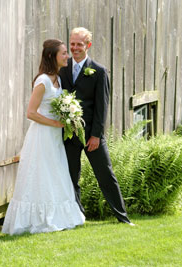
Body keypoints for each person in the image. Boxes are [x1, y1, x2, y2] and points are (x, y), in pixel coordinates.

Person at [2, 39, 85, 235]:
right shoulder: (43, 81)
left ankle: (60, 216)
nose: (67, 56)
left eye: (67, 52)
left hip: (55, 137)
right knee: (41, 175)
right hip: (41, 137)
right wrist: (56, 123)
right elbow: (30, 113)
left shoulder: (58, 79)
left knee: (55, 174)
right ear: (52, 56)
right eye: (63, 53)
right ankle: (38, 219)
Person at [59, 27, 135, 226]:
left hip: (92, 135)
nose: (74, 48)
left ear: (88, 46)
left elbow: (103, 106)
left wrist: (95, 135)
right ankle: (77, 216)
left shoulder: (99, 71)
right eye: (72, 43)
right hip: (68, 135)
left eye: (79, 44)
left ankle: (122, 217)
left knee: (106, 175)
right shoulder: (62, 68)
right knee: (70, 177)